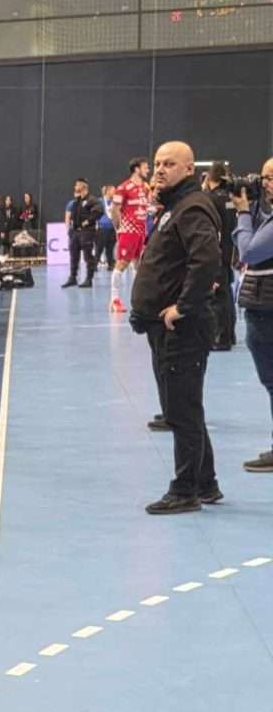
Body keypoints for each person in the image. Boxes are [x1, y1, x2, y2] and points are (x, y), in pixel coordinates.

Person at [129, 141, 222, 515]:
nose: (160, 170)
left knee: (181, 411)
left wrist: (183, 307)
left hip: (181, 330)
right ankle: (206, 483)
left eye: (169, 164)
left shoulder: (192, 207)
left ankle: (185, 490)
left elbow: (207, 259)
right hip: (164, 330)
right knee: (184, 407)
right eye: (157, 164)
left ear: (188, 169)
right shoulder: (175, 207)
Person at [229, 161, 273, 473]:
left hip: (267, 310)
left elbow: (249, 251)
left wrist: (243, 212)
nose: (264, 182)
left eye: (270, 178)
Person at [202, 161, 236, 351]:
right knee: (226, 293)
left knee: (216, 295)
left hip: (216, 250)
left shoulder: (210, 199)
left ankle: (221, 338)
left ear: (209, 177)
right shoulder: (230, 197)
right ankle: (230, 334)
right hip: (229, 250)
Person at [111, 156, 151, 310]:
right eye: (145, 167)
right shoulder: (123, 187)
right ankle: (114, 300)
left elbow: (148, 206)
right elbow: (115, 209)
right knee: (122, 263)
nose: (148, 170)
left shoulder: (146, 188)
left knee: (139, 265)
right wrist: (119, 228)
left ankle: (138, 298)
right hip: (128, 231)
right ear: (136, 169)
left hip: (141, 231)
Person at [64, 178, 102, 289]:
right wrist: (71, 229)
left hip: (87, 232)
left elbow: (99, 211)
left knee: (88, 256)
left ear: (83, 186)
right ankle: (73, 278)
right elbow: (73, 215)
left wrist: (88, 221)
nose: (75, 187)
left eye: (77, 185)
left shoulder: (91, 199)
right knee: (74, 255)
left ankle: (89, 279)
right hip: (75, 232)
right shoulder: (77, 200)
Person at [95, 184, 116, 271]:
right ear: (108, 192)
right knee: (99, 247)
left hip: (112, 228)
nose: (115, 192)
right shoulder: (100, 201)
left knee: (110, 247)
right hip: (102, 228)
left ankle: (110, 265)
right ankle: (94, 265)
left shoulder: (114, 202)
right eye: (113, 191)